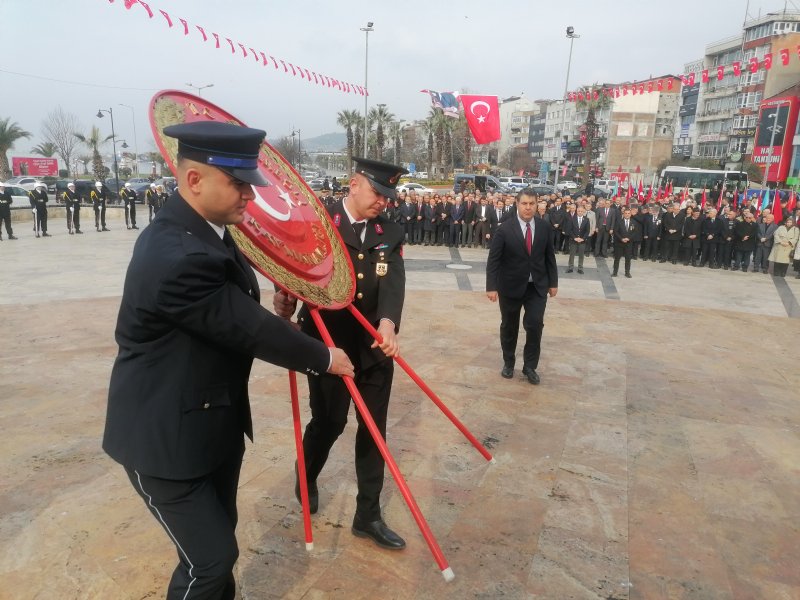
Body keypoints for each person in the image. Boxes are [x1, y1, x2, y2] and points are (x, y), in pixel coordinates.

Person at [103, 121, 354, 600]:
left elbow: (228, 314)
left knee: (213, 553)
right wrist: (324, 358)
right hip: (164, 441)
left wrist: (283, 314)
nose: (249, 196)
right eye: (238, 184)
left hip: (208, 426)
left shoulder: (209, 233)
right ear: (195, 180)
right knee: (212, 559)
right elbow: (246, 327)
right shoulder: (176, 252)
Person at [273, 157, 409, 551]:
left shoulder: (391, 232)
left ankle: (368, 515)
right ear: (354, 185)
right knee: (330, 422)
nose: (384, 201)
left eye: (389, 195)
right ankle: (307, 473)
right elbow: (294, 269)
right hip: (328, 344)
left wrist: (388, 323)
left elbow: (393, 282)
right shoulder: (318, 223)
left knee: (373, 431)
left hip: (373, 347)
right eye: (378, 193)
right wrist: (284, 297)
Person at [486, 190, 558, 385]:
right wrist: (491, 287)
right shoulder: (504, 229)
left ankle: (530, 367)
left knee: (535, 326)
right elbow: (494, 260)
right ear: (517, 204)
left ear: (537, 205)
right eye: (524, 203)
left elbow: (549, 257)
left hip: (536, 287)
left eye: (532, 204)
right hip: (510, 286)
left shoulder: (544, 228)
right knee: (509, 326)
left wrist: (553, 283)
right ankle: (509, 362)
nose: (528, 207)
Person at [612, 206, 637, 278]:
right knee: (617, 258)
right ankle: (615, 272)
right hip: (619, 243)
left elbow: (635, 232)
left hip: (629, 243)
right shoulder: (619, 222)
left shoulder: (633, 222)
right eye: (625, 213)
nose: (627, 214)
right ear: (623, 214)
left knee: (628, 259)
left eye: (628, 213)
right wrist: (621, 238)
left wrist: (628, 238)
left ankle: (627, 272)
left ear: (630, 214)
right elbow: (615, 231)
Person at [566, 204, 590, 274]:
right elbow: (569, 230)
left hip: (582, 241)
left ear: (583, 212)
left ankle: (580, 268)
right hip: (573, 240)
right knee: (572, 254)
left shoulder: (586, 219)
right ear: (576, 211)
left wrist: (583, 238)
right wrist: (574, 238)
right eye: (578, 211)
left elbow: (587, 231)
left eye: (581, 211)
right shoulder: (572, 219)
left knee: (581, 255)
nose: (580, 212)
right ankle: (570, 267)